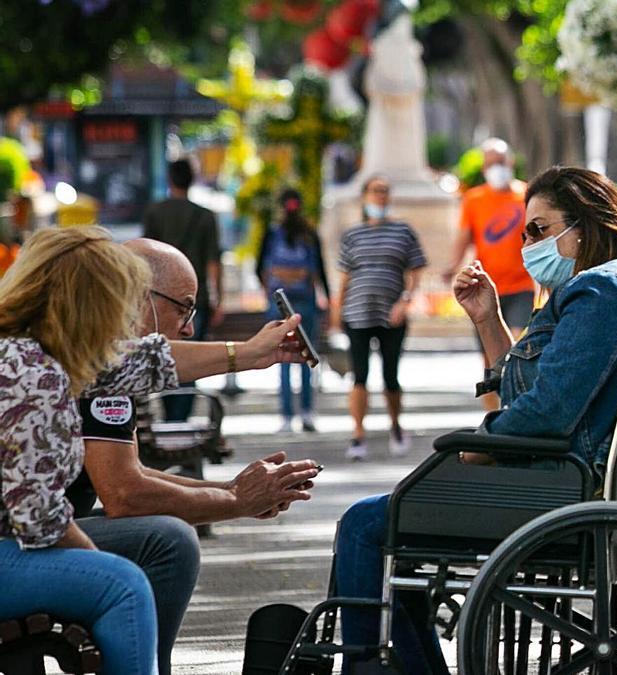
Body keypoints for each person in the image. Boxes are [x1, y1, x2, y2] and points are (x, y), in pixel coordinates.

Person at [333, 166, 617, 673]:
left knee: (365, 524)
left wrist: (478, 446)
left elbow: (545, 415)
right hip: (561, 482)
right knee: (394, 530)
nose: (528, 244)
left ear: (582, 226)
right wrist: (488, 321)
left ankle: (364, 666)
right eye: (525, 232)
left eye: (540, 229)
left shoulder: (603, 292)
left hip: (555, 491)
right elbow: (526, 396)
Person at [0, 227, 311, 675]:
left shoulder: (42, 354)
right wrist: (97, 565)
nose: (125, 316)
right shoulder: (33, 374)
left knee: (139, 561)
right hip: (14, 543)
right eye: (119, 297)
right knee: (123, 583)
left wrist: (250, 353)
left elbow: (148, 362)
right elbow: (43, 519)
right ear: (89, 300)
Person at [330, 175, 427, 461]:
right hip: (357, 314)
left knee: (390, 376)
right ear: (364, 196)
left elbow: (415, 270)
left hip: (392, 315)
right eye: (375, 191)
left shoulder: (403, 231)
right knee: (359, 375)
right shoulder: (352, 235)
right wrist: (336, 315)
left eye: (385, 191)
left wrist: (405, 301)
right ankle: (358, 434)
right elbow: (344, 278)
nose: (380, 196)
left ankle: (396, 426)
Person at [442, 139, 536, 410]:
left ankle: (517, 408)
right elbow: (464, 236)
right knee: (489, 356)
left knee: (515, 345)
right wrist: (453, 265)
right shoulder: (474, 199)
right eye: (492, 163)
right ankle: (493, 416)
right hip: (486, 289)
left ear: (511, 162)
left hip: (521, 286)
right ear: (484, 166)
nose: (498, 168)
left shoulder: (526, 194)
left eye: (501, 162)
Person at [143, 157, 224, 421]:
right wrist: (217, 298)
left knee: (162, 355)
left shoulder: (155, 213)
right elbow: (214, 261)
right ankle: (182, 421)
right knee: (190, 359)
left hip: (158, 300)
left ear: (170, 180)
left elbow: (144, 257)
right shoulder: (205, 216)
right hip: (194, 301)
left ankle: (168, 420)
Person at [257, 188, 332, 432]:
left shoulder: (272, 234)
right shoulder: (309, 234)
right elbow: (320, 270)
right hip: (305, 303)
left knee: (284, 359)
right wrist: (328, 301)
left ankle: (287, 415)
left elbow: (260, 267)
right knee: (307, 357)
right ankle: (308, 412)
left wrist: (269, 291)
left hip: (279, 303)